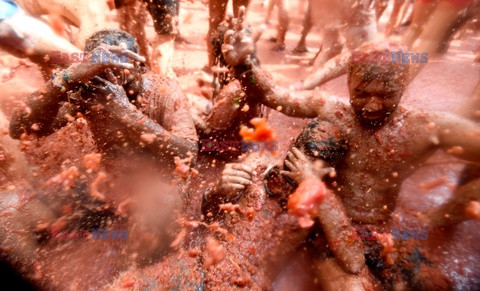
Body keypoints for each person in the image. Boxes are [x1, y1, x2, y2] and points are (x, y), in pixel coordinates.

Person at [221, 17, 480, 287]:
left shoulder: (426, 127)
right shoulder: (333, 110)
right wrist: (245, 64)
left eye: (386, 95)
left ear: (403, 85)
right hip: (327, 231)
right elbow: (273, 95)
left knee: (436, 285)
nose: (372, 105)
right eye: (362, 93)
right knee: (353, 286)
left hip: (380, 233)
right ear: (349, 82)